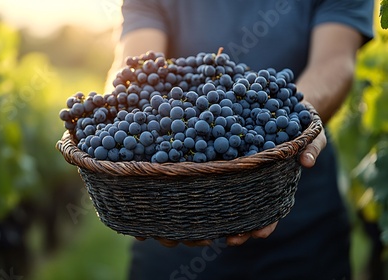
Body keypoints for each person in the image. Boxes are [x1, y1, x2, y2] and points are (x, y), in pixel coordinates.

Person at [105, 1, 374, 279]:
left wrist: (297, 116)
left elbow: (334, 61)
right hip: (173, 211)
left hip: (301, 220)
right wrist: (121, 117)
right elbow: (135, 70)